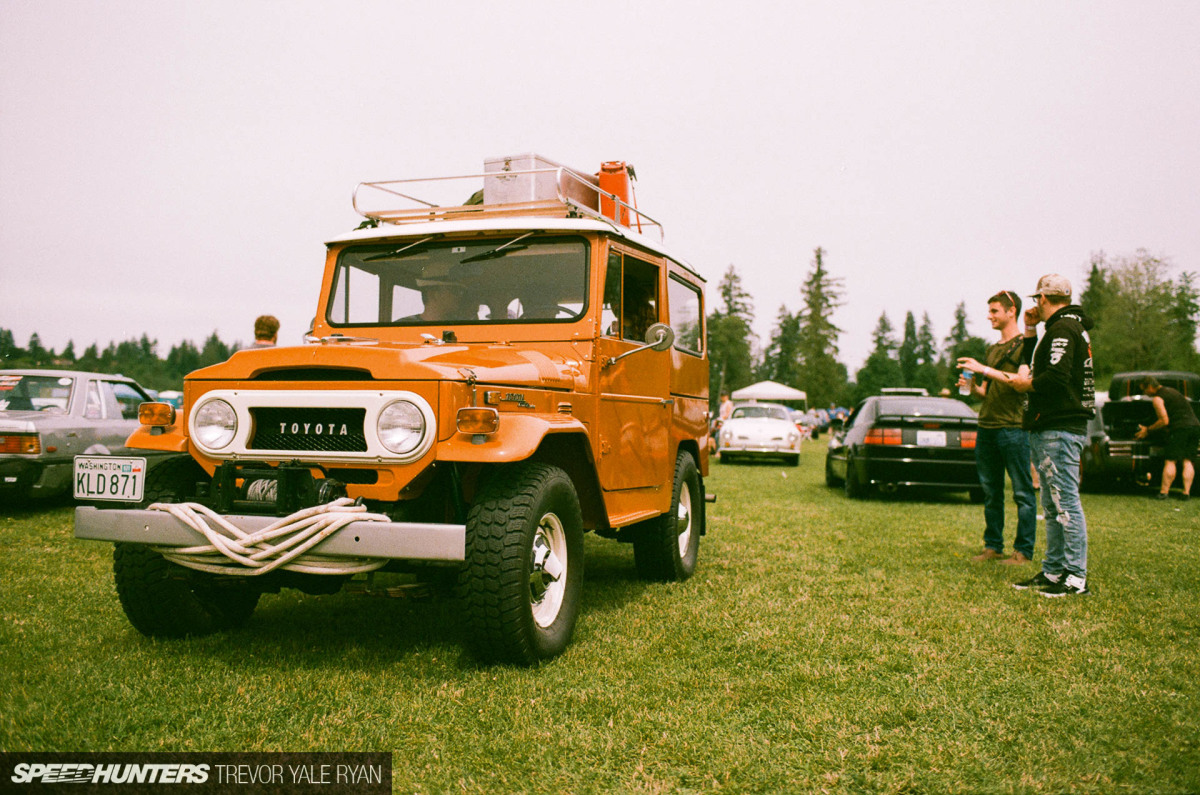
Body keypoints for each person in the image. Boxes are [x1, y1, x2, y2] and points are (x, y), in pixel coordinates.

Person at [1008, 274, 1095, 597]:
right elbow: (1035, 362)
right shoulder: (1065, 328)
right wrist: (1030, 331)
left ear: (1043, 299)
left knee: (1065, 501)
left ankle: (1075, 577)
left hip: (1059, 425)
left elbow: (1054, 376)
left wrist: (1025, 385)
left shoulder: (1062, 329)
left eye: (1036, 301)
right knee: (1053, 501)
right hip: (1053, 425)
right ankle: (1054, 570)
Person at [957, 290, 1037, 566]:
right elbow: (987, 392)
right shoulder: (993, 350)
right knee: (991, 491)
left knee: (1022, 492)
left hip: (1013, 428)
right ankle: (993, 546)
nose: (989, 316)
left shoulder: (1025, 344)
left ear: (1011, 310)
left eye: (994, 311)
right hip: (987, 426)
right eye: (989, 311)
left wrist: (984, 369)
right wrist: (972, 387)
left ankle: (1024, 551)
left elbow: (1021, 381)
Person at [1135, 376, 1199, 501]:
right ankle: (1186, 493)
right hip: (1195, 427)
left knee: (1171, 460)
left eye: (1144, 390)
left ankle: (1164, 493)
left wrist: (1147, 430)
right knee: (1187, 461)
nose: (1145, 394)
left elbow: (1164, 421)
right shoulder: (1172, 391)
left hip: (1180, 429)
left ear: (1150, 387)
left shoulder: (1158, 399)